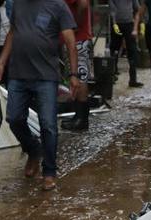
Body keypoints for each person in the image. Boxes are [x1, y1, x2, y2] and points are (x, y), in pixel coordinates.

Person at [0, 0, 82, 190]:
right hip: (18, 73)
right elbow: (12, 33)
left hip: (46, 76)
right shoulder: (18, 4)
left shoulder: (58, 5)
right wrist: (1, 63)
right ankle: (33, 149)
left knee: (48, 125)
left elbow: (71, 42)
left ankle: (49, 172)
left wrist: (73, 75)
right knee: (14, 118)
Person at [63, 0, 93, 131]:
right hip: (75, 37)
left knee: (80, 76)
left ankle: (81, 119)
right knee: (77, 75)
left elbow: (83, 3)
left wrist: (75, 26)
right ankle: (78, 116)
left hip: (78, 38)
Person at [109, 0, 145, 88]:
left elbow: (137, 9)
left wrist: (141, 23)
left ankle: (133, 80)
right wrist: (114, 23)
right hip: (117, 24)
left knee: (132, 51)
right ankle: (111, 76)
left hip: (129, 24)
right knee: (114, 50)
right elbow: (112, 10)